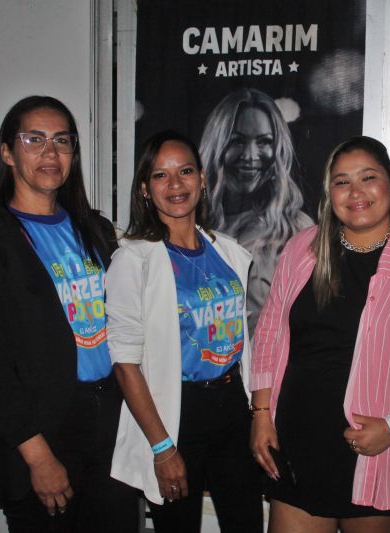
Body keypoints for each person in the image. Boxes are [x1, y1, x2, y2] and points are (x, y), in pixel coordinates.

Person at [249, 136, 390, 533]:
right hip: (297, 445)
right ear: (329, 192)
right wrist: (261, 414)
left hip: (380, 453)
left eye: (368, 177)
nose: (355, 192)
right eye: (342, 182)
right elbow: (269, 332)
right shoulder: (301, 249)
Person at [0, 96, 138, 532]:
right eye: (34, 140)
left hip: (111, 420)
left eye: (62, 141)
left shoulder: (96, 230)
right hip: (44, 428)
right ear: (7, 153)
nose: (50, 153)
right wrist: (38, 457)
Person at [106, 130, 263, 532]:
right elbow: (125, 364)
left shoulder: (226, 250)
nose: (175, 184)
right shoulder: (133, 260)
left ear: (203, 178)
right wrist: (162, 448)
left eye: (186, 171)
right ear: (145, 189)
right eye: (160, 175)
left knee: (247, 523)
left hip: (232, 404)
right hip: (176, 414)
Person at [199, 88, 313, 330]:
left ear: (278, 148)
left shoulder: (296, 230)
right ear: (217, 146)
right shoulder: (191, 226)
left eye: (264, 142)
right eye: (237, 141)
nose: (250, 156)